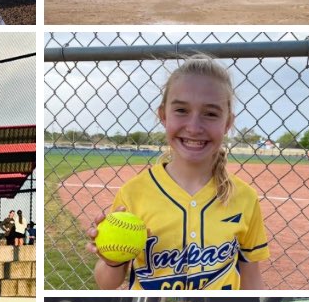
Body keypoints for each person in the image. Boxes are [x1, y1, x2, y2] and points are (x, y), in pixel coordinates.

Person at [86, 55, 270, 290]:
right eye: (181, 110)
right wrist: (111, 262)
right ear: (163, 115)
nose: (194, 127)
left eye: (211, 113)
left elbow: (251, 277)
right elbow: (107, 284)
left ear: (227, 123)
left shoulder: (244, 198)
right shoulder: (133, 193)